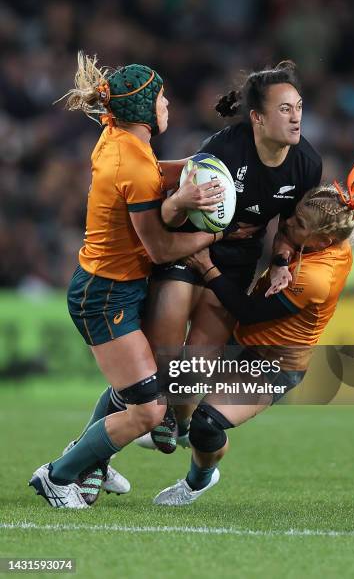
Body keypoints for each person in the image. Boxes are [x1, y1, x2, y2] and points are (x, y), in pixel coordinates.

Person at [28, 52, 245, 509]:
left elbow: (152, 171)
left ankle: (91, 460)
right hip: (105, 295)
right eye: (162, 99)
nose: (167, 106)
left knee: (138, 386)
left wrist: (200, 162)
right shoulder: (132, 163)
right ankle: (59, 474)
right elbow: (161, 250)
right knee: (148, 409)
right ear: (145, 109)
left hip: (112, 285)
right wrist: (216, 232)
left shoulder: (117, 137)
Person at [152, 161, 354, 505]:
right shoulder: (323, 238)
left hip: (272, 363)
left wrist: (207, 268)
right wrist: (282, 258)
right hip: (242, 340)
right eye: (295, 213)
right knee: (178, 374)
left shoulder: (317, 279)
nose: (288, 222)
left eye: (299, 223)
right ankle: (169, 424)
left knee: (207, 426)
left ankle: (197, 481)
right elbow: (285, 235)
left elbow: (250, 312)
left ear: (323, 240)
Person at [138, 60, 323, 451]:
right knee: (167, 343)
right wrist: (188, 212)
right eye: (285, 109)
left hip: (237, 259)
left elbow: (290, 229)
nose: (296, 118)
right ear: (257, 117)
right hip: (189, 246)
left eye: (299, 107)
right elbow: (170, 212)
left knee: (200, 362)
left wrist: (279, 262)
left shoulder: (307, 164)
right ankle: (152, 414)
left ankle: (177, 418)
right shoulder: (223, 149)